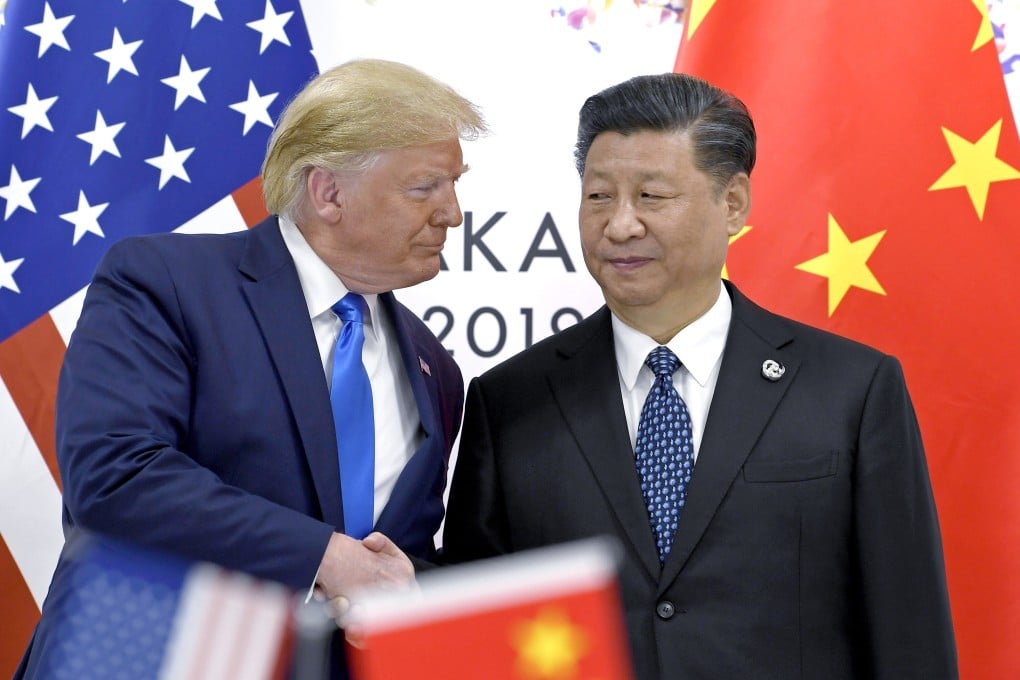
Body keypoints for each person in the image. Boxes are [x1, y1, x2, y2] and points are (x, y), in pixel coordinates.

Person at [442, 72, 957, 679]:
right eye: (599, 196)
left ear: (733, 203)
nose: (620, 226)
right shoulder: (510, 401)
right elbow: (476, 632)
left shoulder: (851, 390)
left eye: (652, 196)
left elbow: (908, 633)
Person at [16, 58, 485, 679]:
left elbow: (390, 564)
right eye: (425, 187)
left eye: (455, 185)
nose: (452, 214)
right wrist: (325, 556)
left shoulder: (435, 369)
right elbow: (114, 475)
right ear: (329, 192)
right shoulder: (166, 283)